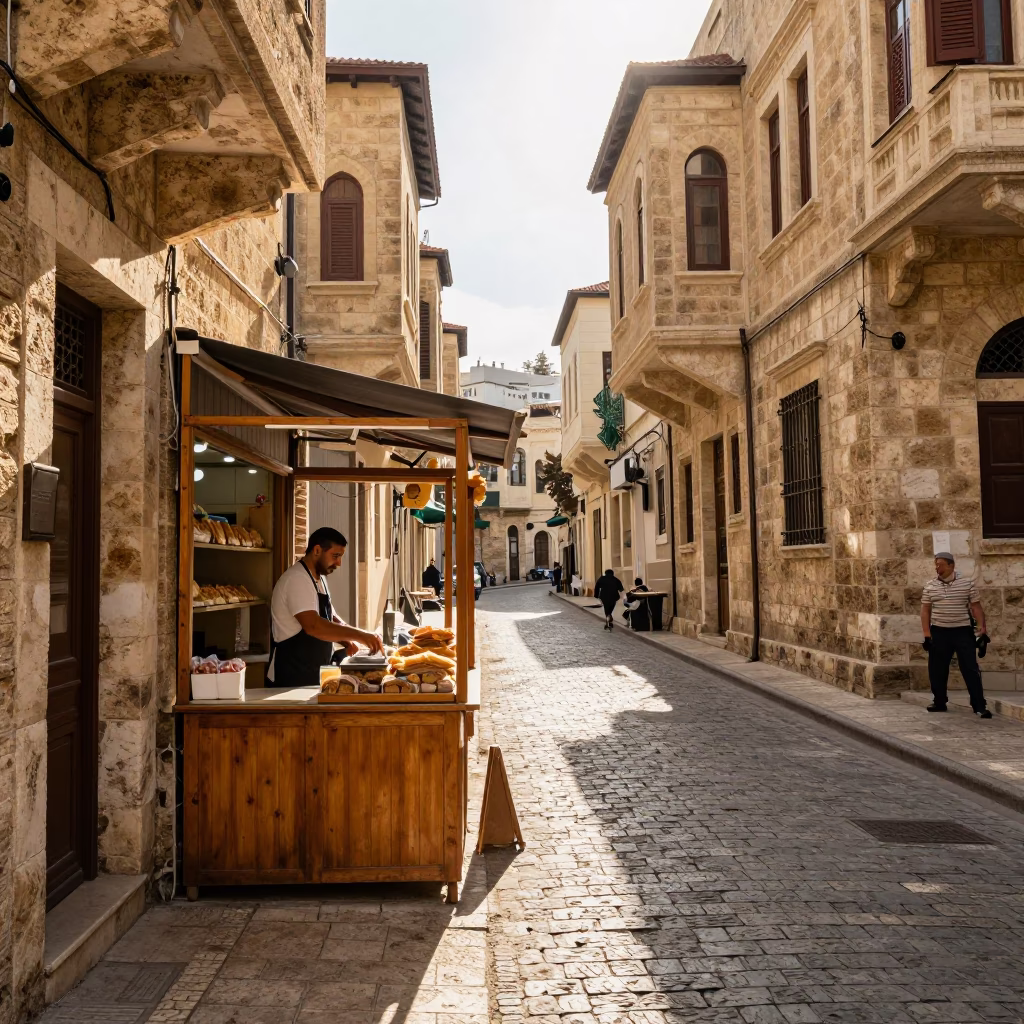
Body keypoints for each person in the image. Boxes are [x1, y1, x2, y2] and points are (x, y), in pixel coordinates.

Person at [268, 526, 383, 687]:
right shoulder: (296, 579)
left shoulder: (319, 579)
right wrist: (360, 635)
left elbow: (331, 618)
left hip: (313, 674)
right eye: (335, 556)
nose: (339, 563)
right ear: (316, 550)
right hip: (291, 678)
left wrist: (348, 640)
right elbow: (314, 626)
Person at [921, 552, 991, 718]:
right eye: (936, 564)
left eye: (941, 564)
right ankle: (939, 702)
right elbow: (925, 611)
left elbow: (976, 607)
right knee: (937, 669)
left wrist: (982, 627)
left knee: (970, 669)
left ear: (951, 565)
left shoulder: (966, 584)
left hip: (962, 631)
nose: (937, 567)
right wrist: (927, 635)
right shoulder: (930, 586)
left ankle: (979, 705)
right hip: (939, 631)